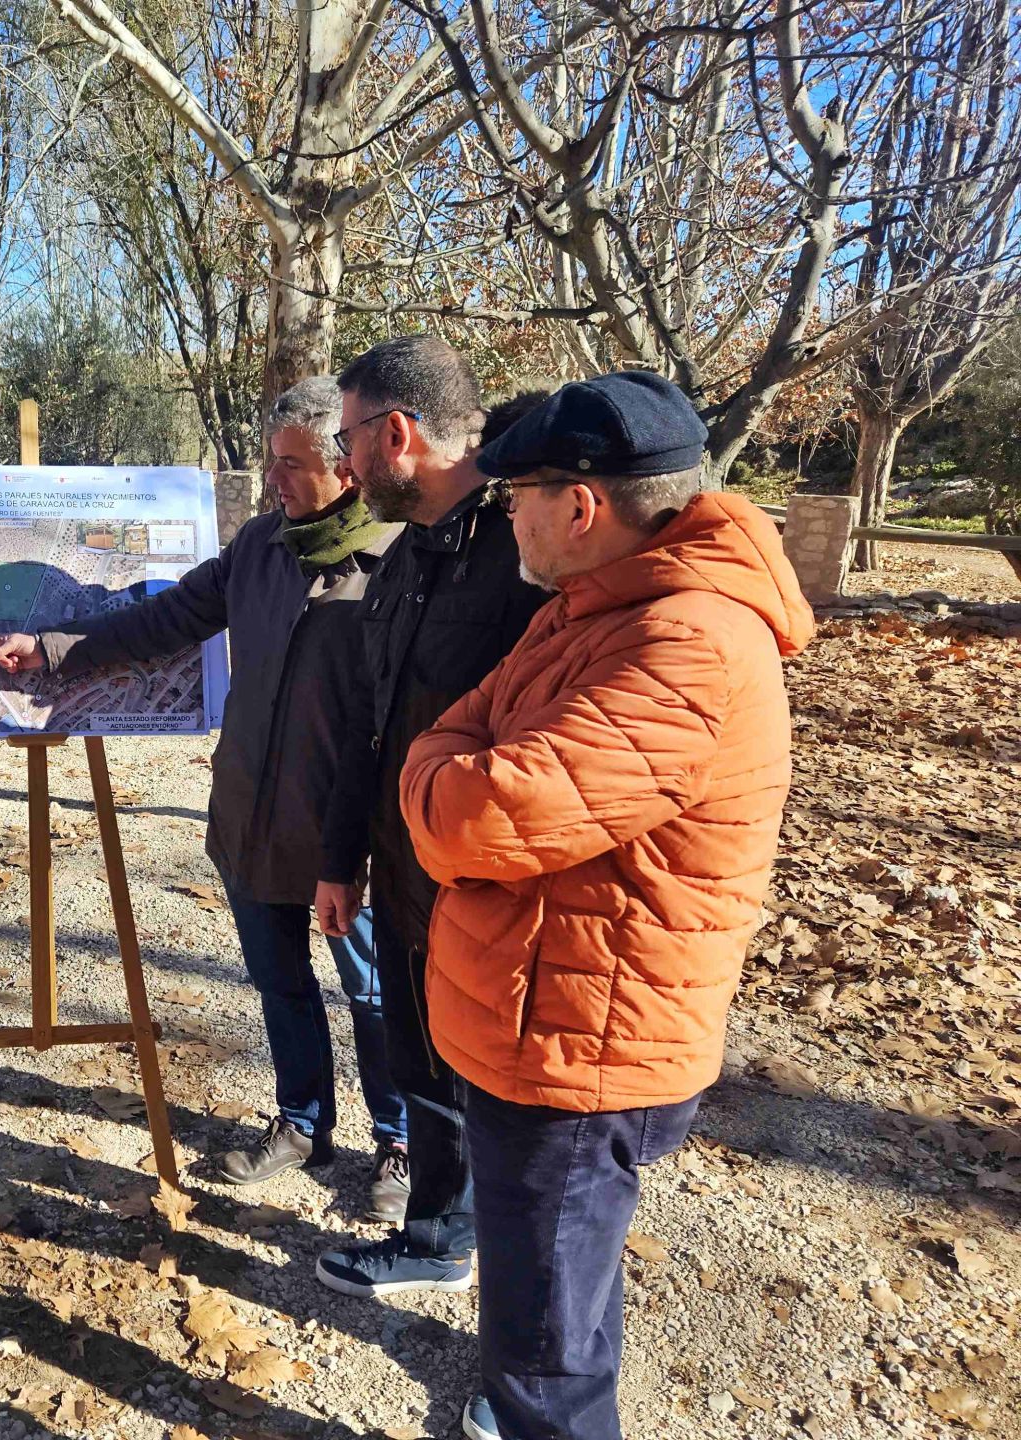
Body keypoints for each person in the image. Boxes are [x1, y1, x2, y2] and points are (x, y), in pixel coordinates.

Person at [400, 372, 813, 1440]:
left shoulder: (683, 644)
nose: (506, 517)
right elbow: (467, 727)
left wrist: (434, 767)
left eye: (516, 494)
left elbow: (473, 812)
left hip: (579, 1055)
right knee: (558, 1303)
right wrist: (448, 755)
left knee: (545, 1361)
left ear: (578, 505)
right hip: (553, 1023)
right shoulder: (596, 609)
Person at [0, 378, 415, 1219]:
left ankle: (398, 1142)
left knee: (376, 993)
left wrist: (359, 847)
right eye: (270, 462)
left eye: (291, 465)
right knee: (279, 982)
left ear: (348, 469)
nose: (273, 480)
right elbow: (167, 618)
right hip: (251, 816)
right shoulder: (260, 547)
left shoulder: (398, 559)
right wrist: (53, 647)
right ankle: (303, 1121)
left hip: (345, 835)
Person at [311, 339, 551, 1300]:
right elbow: (372, 730)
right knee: (421, 1066)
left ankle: (520, 1306)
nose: (343, 464)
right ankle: (440, 1236)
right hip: (404, 883)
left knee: (498, 1095)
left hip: (490, 894)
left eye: (347, 439)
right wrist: (340, 861)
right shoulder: (407, 556)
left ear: (395, 432)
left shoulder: (529, 556)